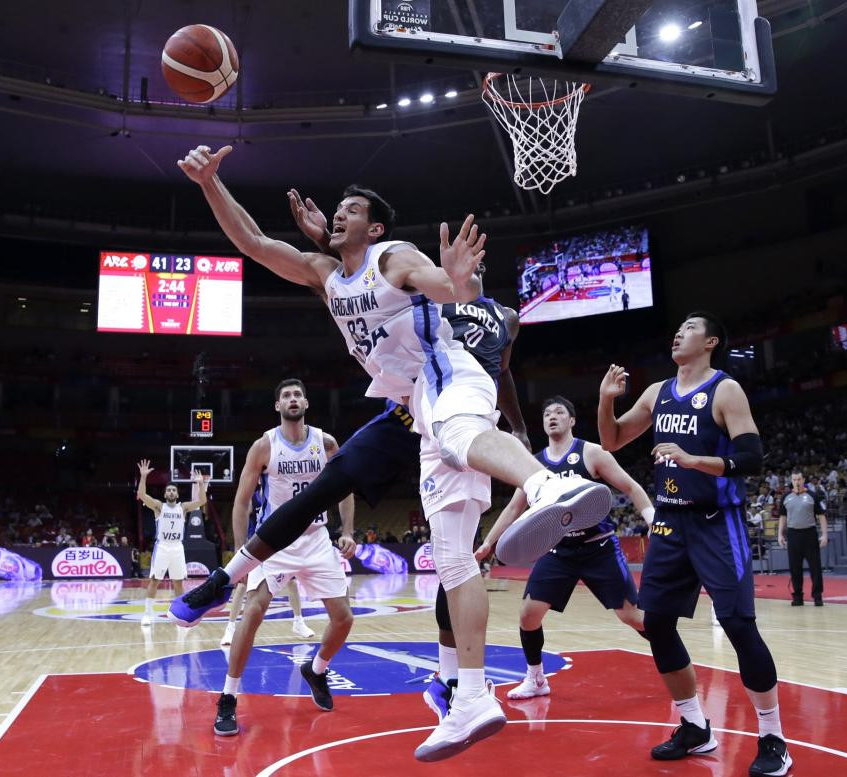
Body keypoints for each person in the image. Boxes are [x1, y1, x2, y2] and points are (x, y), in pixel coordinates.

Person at [169, 146, 611, 762]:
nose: (336, 214)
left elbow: (449, 288)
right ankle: (473, 696)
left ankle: (546, 486)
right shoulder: (326, 273)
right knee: (454, 561)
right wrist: (210, 182)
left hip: (449, 379)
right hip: (415, 410)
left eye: (351, 210)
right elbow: (251, 242)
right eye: (337, 211)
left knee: (458, 436)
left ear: (373, 227)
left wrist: (459, 279)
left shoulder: (393, 257)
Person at [598, 312, 792, 777]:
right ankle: (695, 727)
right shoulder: (658, 392)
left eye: (690, 328)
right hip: (669, 522)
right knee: (658, 625)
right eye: (677, 328)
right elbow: (613, 439)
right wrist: (605, 402)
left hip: (715, 522)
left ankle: (773, 739)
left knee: (738, 624)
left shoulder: (725, 389)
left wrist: (692, 460)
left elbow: (751, 457)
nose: (678, 333)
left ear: (711, 342)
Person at [475, 395, 655, 700]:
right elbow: (513, 509)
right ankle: (536, 679)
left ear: (572, 421)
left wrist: (652, 520)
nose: (552, 416)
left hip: (598, 548)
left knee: (632, 617)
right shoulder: (533, 465)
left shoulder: (592, 453)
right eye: (547, 413)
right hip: (558, 551)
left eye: (559, 412)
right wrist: (488, 544)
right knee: (528, 616)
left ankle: (671, 653)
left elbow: (631, 487)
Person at [213, 378, 357, 737]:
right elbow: (243, 501)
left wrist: (349, 530)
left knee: (343, 619)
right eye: (286, 396)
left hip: (316, 539)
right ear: (277, 406)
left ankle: (317, 669)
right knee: (253, 611)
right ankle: (228, 697)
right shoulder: (265, 446)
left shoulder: (325, 443)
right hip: (275, 541)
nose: (293, 399)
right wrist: (242, 551)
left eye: (297, 394)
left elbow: (345, 488)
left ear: (306, 402)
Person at [221, 390, 319, 647]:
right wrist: (241, 544)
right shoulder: (264, 461)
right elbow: (243, 505)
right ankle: (230, 627)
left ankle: (298, 620)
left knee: (292, 580)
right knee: (243, 586)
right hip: (263, 531)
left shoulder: (308, 452)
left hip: (291, 530)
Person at [137, 459, 207, 626]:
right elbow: (143, 495)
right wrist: (143, 477)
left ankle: (179, 614)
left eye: (173, 490)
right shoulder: (159, 507)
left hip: (177, 547)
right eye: (168, 490)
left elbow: (202, 501)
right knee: (155, 579)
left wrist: (201, 484)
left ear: (177, 494)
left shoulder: (182, 508)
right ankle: (147, 614)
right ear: (165, 494)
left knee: (178, 582)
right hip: (162, 546)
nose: (170, 492)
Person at [779, 472, 828, 606]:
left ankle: (817, 596)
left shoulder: (812, 495)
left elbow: (821, 516)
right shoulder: (786, 497)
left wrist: (824, 534)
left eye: (799, 479)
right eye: (794, 479)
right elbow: (782, 517)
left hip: (810, 534)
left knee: (815, 567)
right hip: (793, 534)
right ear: (791, 480)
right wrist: (780, 535)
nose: (797, 481)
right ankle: (798, 597)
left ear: (803, 479)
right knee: (795, 568)